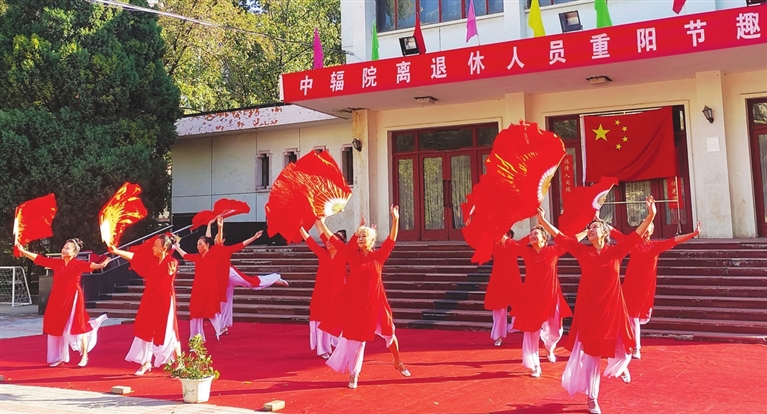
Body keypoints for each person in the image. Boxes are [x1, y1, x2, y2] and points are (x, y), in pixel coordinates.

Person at [536, 197, 656, 414]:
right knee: (592, 354)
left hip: (613, 307)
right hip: (590, 308)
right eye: (589, 228)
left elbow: (636, 235)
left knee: (624, 352)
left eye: (595, 228)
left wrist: (651, 216)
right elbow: (560, 237)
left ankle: (620, 368)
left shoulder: (616, 251)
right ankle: (592, 398)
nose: (590, 230)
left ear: (604, 233)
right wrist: (543, 222)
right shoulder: (583, 252)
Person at [324, 206, 411, 389]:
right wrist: (321, 224)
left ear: (371, 240)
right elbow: (333, 240)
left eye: (364, 236)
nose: (361, 238)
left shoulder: (378, 256)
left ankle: (397, 361)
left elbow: (391, 240)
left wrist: (395, 220)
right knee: (356, 341)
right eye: (359, 236)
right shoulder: (351, 255)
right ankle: (353, 374)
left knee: (389, 333)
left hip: (377, 303)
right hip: (357, 305)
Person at [610, 221, 702, 359]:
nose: (645, 230)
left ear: (652, 231)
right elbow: (616, 234)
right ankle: (625, 345)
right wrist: (599, 221)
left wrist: (693, 234)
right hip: (629, 285)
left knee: (634, 317)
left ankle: (635, 347)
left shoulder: (655, 246)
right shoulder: (633, 242)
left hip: (644, 287)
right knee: (626, 315)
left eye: (648, 228)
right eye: (643, 227)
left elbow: (674, 240)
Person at [16, 239, 109, 368]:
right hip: (57, 298)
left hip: (73, 298)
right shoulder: (57, 263)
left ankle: (84, 356)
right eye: (64, 247)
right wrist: (23, 251)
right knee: (56, 326)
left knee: (78, 326)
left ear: (74, 252)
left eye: (68, 248)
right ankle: (59, 357)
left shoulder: (77, 264)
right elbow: (40, 259)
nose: (64, 250)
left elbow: (90, 265)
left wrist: (100, 265)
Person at [108, 234, 183, 375]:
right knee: (145, 329)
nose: (153, 247)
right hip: (149, 298)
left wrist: (172, 272)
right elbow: (134, 257)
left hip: (165, 300)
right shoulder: (151, 261)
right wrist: (116, 251)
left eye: (156, 245)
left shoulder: (171, 261)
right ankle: (146, 362)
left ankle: (179, 364)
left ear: (164, 248)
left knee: (170, 330)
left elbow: (172, 271)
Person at [511, 223, 577, 378]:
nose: (532, 236)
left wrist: (586, 231)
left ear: (544, 238)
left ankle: (549, 346)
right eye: (531, 234)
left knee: (556, 331)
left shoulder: (553, 251)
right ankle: (535, 366)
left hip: (551, 297)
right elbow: (508, 242)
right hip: (531, 298)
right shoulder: (526, 252)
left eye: (536, 234)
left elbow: (570, 241)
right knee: (531, 333)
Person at [205, 216, 287, 339]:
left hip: (230, 274)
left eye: (218, 237)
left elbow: (242, 244)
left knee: (251, 283)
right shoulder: (210, 249)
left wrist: (253, 237)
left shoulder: (225, 249)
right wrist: (208, 225)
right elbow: (207, 238)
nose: (216, 238)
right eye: (215, 237)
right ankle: (223, 326)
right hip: (220, 279)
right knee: (223, 301)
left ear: (223, 240)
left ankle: (274, 278)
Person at [299, 218, 348, 359]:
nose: (331, 239)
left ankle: (338, 344)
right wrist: (301, 226)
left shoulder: (343, 254)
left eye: (337, 238)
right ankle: (323, 349)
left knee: (338, 318)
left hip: (338, 292)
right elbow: (309, 240)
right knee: (321, 319)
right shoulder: (322, 253)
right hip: (322, 292)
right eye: (331, 236)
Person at [175, 235, 222, 342]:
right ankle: (196, 338)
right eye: (197, 245)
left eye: (200, 244)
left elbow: (218, 243)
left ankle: (218, 330)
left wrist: (220, 227)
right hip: (198, 288)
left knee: (210, 309)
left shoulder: (213, 255)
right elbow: (185, 255)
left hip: (210, 288)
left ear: (207, 245)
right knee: (195, 311)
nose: (198, 246)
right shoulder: (197, 257)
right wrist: (177, 246)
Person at [484, 229, 522, 347]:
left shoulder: (515, 245)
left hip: (513, 278)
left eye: (507, 234)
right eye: (502, 234)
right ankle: (498, 335)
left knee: (519, 304)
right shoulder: (494, 246)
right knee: (499, 309)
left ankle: (518, 326)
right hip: (499, 280)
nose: (504, 236)